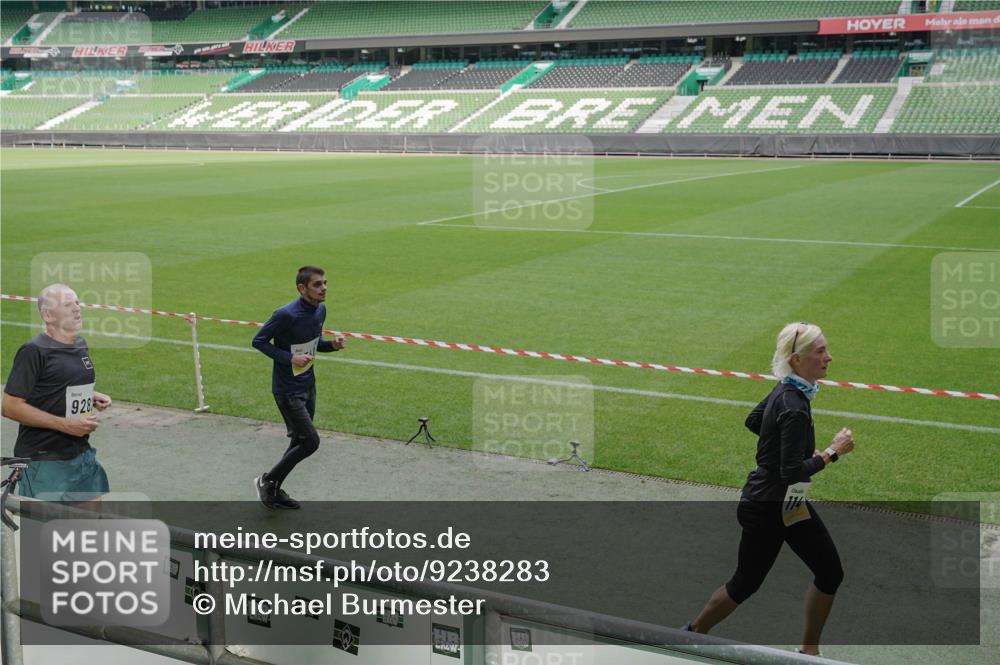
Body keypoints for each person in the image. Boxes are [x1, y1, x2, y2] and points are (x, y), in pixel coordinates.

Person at [683, 322, 855, 657]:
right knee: (745, 583)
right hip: (768, 506)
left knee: (829, 571)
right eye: (820, 352)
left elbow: (753, 421)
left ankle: (809, 652)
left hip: (786, 502)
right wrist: (832, 452)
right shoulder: (792, 405)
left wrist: (777, 445)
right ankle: (693, 632)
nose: (828, 357)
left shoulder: (789, 390)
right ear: (796, 360)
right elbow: (791, 472)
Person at [2, 284, 112, 506]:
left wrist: (90, 395)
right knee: (44, 534)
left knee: (90, 527)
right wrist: (65, 425)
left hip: (81, 453)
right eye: (67, 305)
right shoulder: (34, 351)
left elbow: (58, 384)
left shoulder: (79, 344)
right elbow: (10, 406)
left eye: (77, 303)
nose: (76, 309)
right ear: (47, 315)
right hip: (45, 459)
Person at [252, 266, 345, 509]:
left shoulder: (320, 310)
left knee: (298, 442)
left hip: (308, 386)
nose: (324, 288)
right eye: (317, 284)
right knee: (310, 441)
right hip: (287, 390)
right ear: (301, 288)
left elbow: (311, 346)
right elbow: (258, 341)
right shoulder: (285, 314)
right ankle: (267, 480)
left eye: (325, 283)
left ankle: (272, 490)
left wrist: (331, 346)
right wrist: (288, 358)